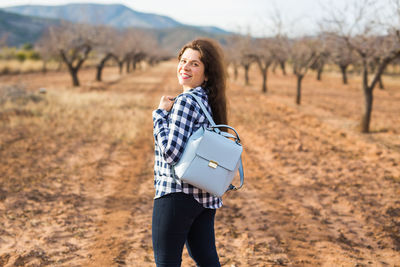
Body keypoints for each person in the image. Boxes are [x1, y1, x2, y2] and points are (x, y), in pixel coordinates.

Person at [152, 38, 228, 267]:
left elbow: (171, 154)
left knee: (167, 262)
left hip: (176, 194)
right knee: (206, 260)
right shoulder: (207, 101)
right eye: (183, 60)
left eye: (195, 64)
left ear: (206, 74)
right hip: (203, 196)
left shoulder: (185, 102)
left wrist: (159, 115)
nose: (185, 67)